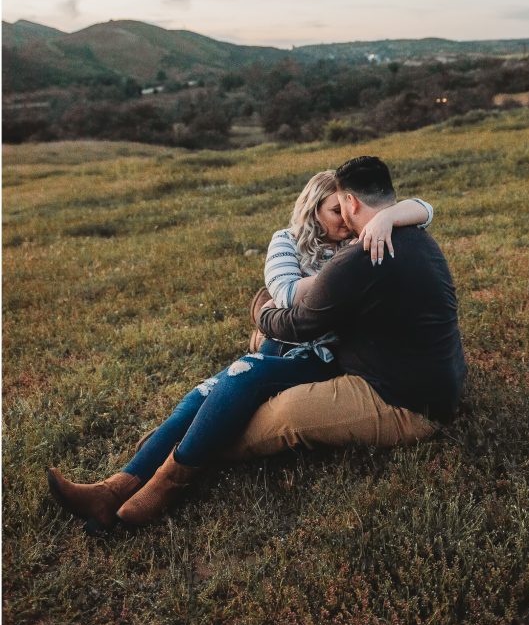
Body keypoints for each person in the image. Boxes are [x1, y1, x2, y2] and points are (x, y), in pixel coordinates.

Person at [47, 169, 433, 532]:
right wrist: (324, 292)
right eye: (335, 212)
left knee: (243, 374)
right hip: (284, 344)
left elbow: (426, 209)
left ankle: (167, 484)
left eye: (346, 212)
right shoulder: (286, 240)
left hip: (328, 356)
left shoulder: (361, 240)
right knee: (205, 391)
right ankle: (113, 488)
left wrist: (385, 219)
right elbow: (285, 292)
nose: (345, 222)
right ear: (312, 207)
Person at [221, 155, 467, 464]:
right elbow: (425, 208)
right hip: (434, 386)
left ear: (350, 202)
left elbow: (300, 325)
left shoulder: (358, 256)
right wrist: (386, 218)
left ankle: (194, 455)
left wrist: (262, 314)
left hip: (404, 404)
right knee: (271, 378)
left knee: (284, 412)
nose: (341, 220)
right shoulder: (415, 236)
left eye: (340, 207)